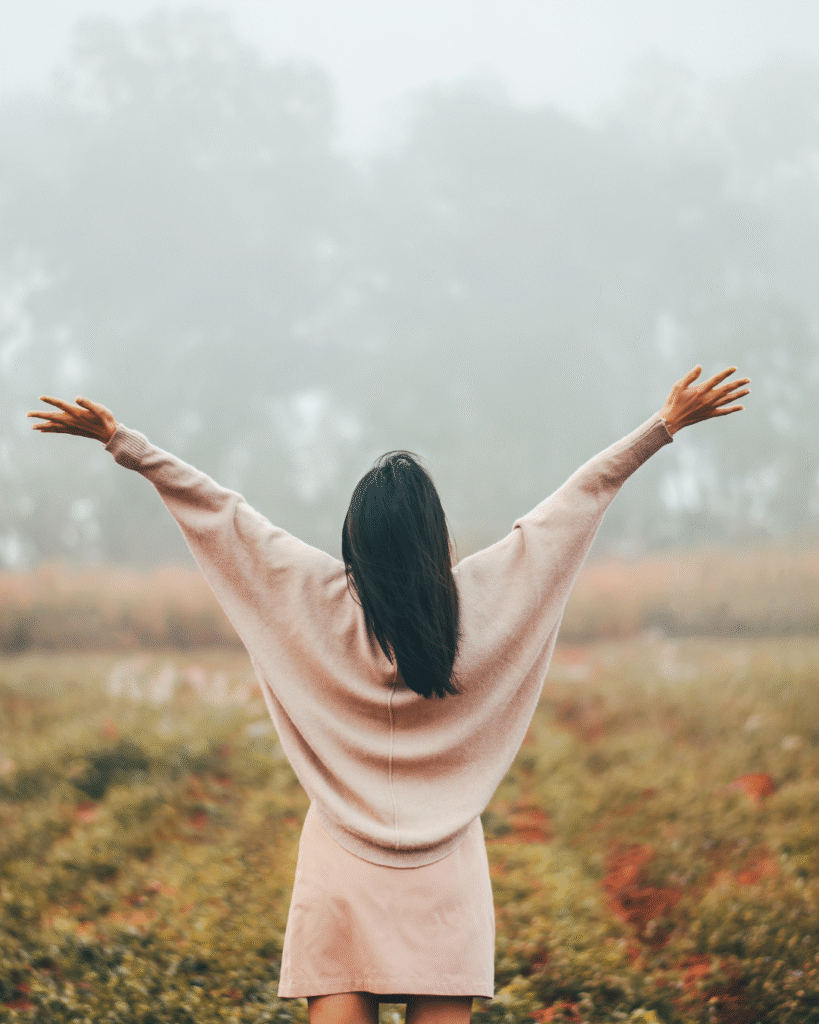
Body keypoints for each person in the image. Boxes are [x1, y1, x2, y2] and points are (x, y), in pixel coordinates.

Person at [28, 365, 748, 1024]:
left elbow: (223, 514)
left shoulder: (313, 596)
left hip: (340, 866)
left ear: (355, 540)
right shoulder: (480, 602)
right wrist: (661, 427)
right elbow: (571, 508)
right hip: (446, 873)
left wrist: (124, 442)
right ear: (436, 537)